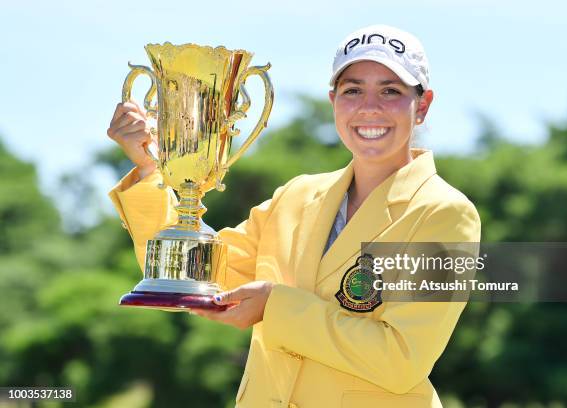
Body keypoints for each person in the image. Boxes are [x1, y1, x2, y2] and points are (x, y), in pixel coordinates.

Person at [107, 24, 481, 408]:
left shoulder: (445, 213)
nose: (370, 106)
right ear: (333, 100)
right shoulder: (296, 196)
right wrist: (151, 169)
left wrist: (276, 305)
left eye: (391, 91)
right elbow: (196, 274)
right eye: (353, 90)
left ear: (422, 105)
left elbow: (402, 360)